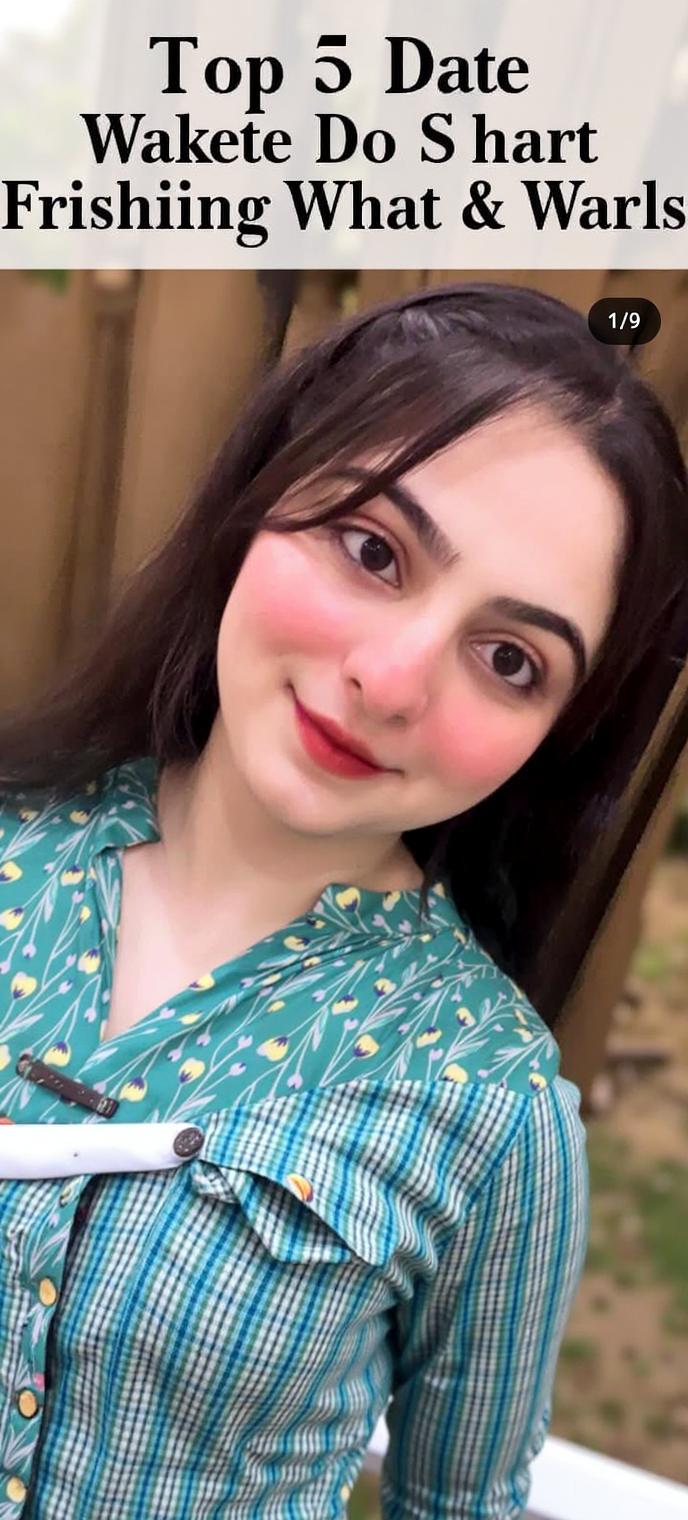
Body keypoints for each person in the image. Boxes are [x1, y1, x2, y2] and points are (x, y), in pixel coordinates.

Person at [0, 280, 686, 1520]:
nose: (388, 678)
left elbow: (457, 1505)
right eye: (373, 550)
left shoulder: (492, 1108)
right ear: (262, 495)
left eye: (510, 659)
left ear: (555, 736)